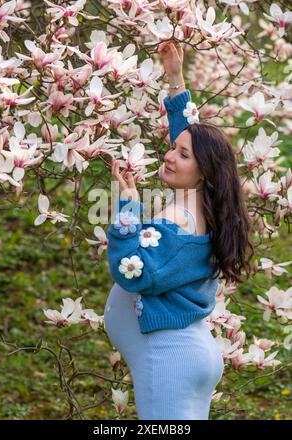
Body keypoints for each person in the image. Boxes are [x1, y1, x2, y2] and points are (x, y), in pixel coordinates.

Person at [103, 40, 253, 420]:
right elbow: (189, 136)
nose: (170, 155)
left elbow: (131, 270)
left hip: (167, 357)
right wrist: (175, 78)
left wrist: (126, 207)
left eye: (182, 155)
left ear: (203, 170)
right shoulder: (206, 202)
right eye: (174, 148)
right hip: (185, 351)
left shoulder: (178, 222)